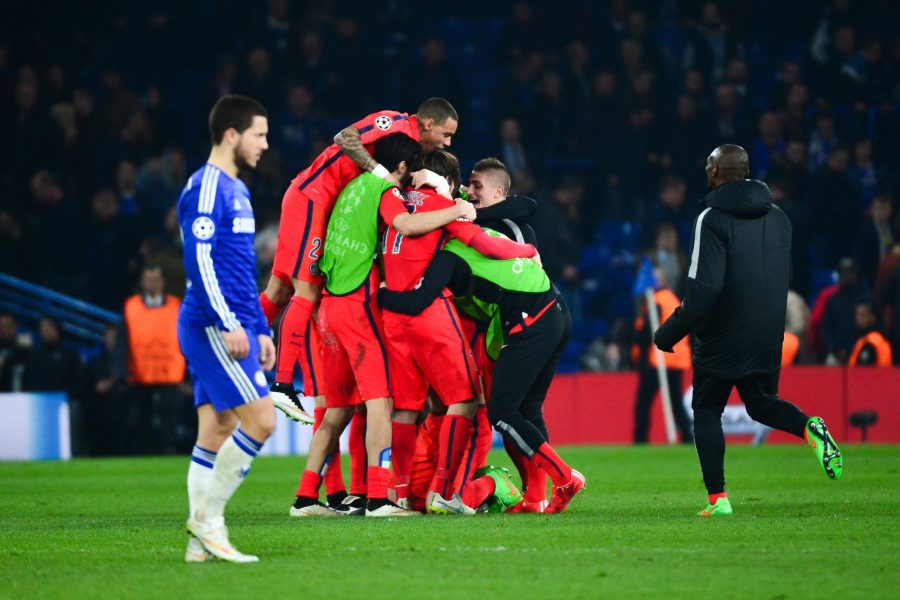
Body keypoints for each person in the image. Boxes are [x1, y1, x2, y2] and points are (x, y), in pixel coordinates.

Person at [654, 144, 843, 518]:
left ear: (717, 172)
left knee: (707, 409)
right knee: (761, 403)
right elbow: (783, 277)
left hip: (723, 334)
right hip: (769, 332)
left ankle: (718, 499)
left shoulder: (711, 218)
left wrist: (669, 333)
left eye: (709, 165)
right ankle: (809, 427)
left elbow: (704, 289)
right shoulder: (779, 217)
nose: (706, 170)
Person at [290, 134, 472, 518]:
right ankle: (377, 498)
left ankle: (305, 498)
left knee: (338, 409)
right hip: (358, 304)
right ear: (402, 167)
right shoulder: (385, 191)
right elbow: (406, 224)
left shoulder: (353, 187)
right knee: (381, 403)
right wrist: (455, 208)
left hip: (328, 307)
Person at [260, 98, 460, 417]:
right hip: (315, 194)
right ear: (429, 125)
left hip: (323, 204)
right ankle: (281, 386)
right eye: (446, 135)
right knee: (306, 290)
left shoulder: (410, 150)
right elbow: (345, 137)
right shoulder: (393, 122)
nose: (447, 143)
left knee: (279, 289)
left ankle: (238, 350)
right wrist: (378, 170)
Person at [378, 210, 586, 515]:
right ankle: (535, 498)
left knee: (501, 411)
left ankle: (565, 477)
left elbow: (418, 301)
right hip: (555, 310)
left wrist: (382, 295)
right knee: (527, 409)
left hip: (532, 321)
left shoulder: (448, 257)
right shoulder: (478, 235)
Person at [380, 149, 540, 514]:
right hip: (428, 313)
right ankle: (444, 491)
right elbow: (484, 243)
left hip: (392, 315)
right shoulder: (445, 207)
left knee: (405, 408)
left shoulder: (395, 200)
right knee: (466, 399)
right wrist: (529, 251)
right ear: (450, 183)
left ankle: (396, 493)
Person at [176, 95, 276, 563]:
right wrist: (230, 321)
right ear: (231, 135)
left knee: (217, 429)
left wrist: (259, 328)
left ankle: (200, 544)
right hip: (211, 324)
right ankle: (209, 521)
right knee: (262, 420)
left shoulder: (237, 189)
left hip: (233, 322)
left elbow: (240, 270)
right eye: (259, 134)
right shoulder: (206, 187)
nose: (265, 144)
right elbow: (198, 261)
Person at [123, 264, 187, 454]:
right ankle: (144, 451)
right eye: (148, 279)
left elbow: (186, 339)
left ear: (162, 282)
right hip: (140, 374)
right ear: (142, 282)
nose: (152, 283)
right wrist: (121, 372)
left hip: (170, 374)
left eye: (155, 279)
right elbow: (122, 341)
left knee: (170, 416)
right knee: (142, 418)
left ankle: (169, 449)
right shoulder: (131, 307)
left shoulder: (176, 306)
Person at [631, 269, 693, 444]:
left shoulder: (655, 302)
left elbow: (647, 334)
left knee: (643, 402)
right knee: (676, 403)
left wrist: (637, 349)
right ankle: (688, 437)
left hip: (658, 361)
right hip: (676, 360)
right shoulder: (673, 299)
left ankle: (640, 439)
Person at [848, 298, 892, 366]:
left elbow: (864, 372)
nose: (859, 318)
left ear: (872, 317)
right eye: (857, 314)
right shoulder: (863, 339)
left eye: (863, 315)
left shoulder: (873, 341)